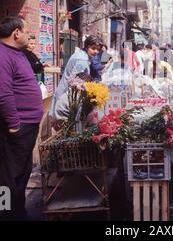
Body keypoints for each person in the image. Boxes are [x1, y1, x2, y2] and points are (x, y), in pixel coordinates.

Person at [0, 16, 44, 220]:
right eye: (27, 31)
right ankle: (5, 212)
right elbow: (3, 93)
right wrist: (14, 124)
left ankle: (17, 211)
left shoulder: (18, 53)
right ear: (16, 32)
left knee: (23, 173)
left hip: (28, 125)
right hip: (18, 126)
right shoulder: (3, 55)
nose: (29, 35)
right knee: (7, 176)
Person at [50, 35, 101, 121]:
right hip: (66, 100)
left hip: (66, 97)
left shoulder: (81, 55)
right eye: (93, 48)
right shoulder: (82, 60)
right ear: (87, 47)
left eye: (98, 49)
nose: (96, 51)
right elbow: (74, 82)